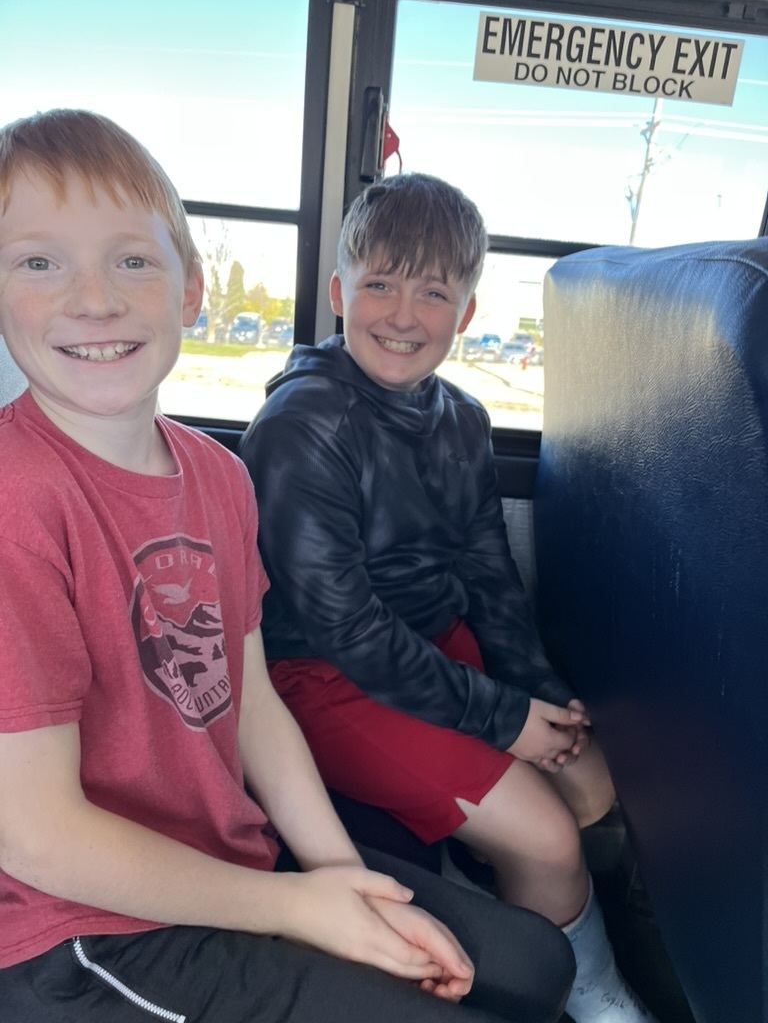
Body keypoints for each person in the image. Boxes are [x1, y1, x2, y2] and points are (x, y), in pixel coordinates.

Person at [0, 108, 578, 1023]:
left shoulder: (217, 476)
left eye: (132, 260)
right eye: (39, 262)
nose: (94, 299)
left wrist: (343, 883)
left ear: (191, 289)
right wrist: (295, 907)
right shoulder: (16, 498)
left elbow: (253, 699)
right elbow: (35, 836)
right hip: (83, 932)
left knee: (535, 966)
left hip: (228, 847)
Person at [240, 173, 658, 1023]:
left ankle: (491, 889)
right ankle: (584, 997)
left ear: (465, 312)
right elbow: (346, 630)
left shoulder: (460, 416)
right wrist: (503, 719)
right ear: (337, 291)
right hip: (323, 677)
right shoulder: (300, 427)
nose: (401, 315)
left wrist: (539, 692)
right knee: (546, 835)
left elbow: (488, 575)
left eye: (432, 291)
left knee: (591, 787)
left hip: (433, 653)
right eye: (379, 284)